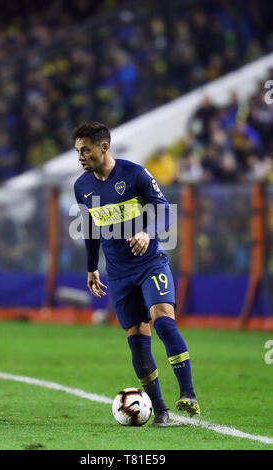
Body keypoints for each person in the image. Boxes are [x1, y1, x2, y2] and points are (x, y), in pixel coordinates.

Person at [73, 121, 200, 426]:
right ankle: (160, 411)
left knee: (164, 323)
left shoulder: (135, 174)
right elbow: (90, 229)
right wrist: (91, 266)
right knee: (137, 339)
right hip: (117, 275)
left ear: (104, 147)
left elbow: (165, 210)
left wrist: (146, 232)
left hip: (150, 264)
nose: (80, 156)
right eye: (77, 150)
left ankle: (188, 394)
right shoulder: (82, 186)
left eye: (85, 149)